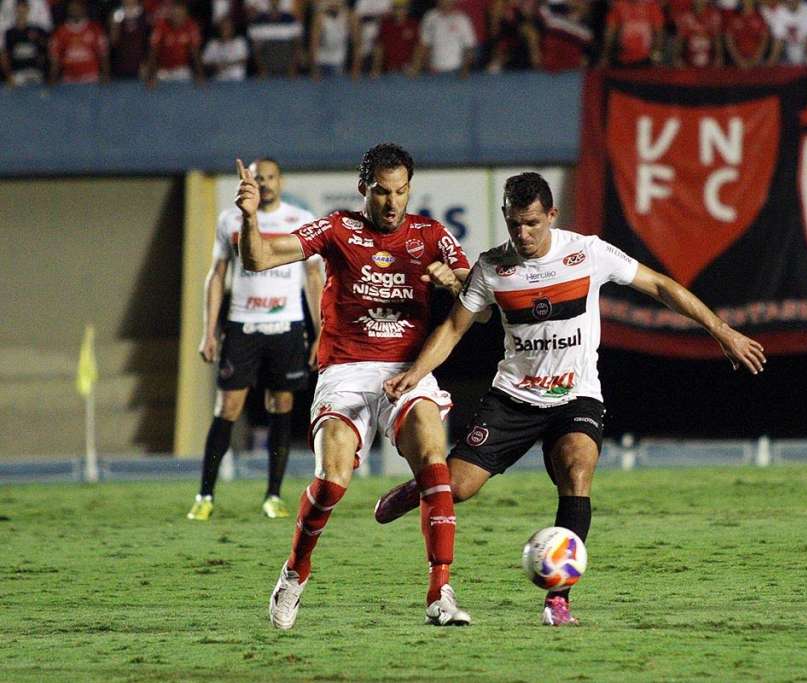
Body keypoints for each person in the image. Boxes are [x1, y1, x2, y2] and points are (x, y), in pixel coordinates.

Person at [376, 172, 766, 626]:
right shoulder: (491, 267)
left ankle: (558, 599)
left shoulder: (588, 252)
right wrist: (416, 372)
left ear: (551, 216)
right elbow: (454, 329)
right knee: (457, 487)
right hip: (513, 398)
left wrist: (721, 331)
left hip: (576, 396)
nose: (522, 234)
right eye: (514, 223)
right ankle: (417, 489)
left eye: (532, 223)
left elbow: (660, 285)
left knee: (577, 471)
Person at [233, 143, 477, 629]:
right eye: (382, 192)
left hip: (407, 369)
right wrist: (250, 217)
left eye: (401, 192)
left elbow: (477, 292)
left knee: (434, 461)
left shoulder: (431, 235)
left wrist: (452, 280)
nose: (392, 203)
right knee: (332, 481)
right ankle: (295, 573)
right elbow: (257, 258)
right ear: (363, 188)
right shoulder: (337, 228)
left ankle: (440, 592)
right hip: (344, 371)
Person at [188, 158, 321, 523]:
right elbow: (216, 276)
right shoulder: (230, 220)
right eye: (257, 177)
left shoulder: (299, 220)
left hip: (288, 327)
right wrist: (208, 331)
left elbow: (313, 278)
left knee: (281, 405)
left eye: (270, 177)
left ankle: (273, 496)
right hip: (242, 325)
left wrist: (320, 333)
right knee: (227, 408)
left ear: (281, 180)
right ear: (248, 181)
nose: (264, 183)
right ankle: (205, 495)